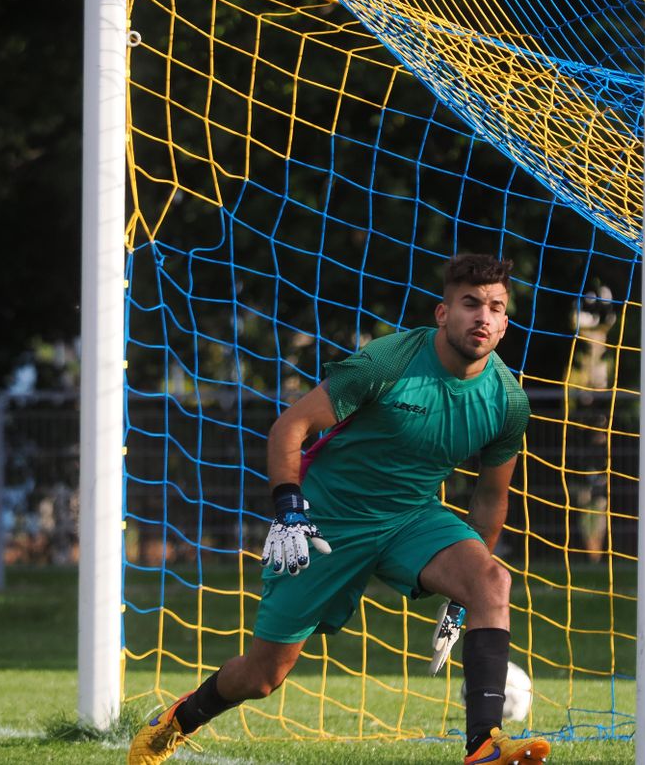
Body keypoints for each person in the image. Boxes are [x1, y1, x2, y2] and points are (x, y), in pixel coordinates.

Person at [128, 253, 550, 765]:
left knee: (493, 583)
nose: (482, 317)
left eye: (495, 307)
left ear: (506, 322)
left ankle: (484, 743)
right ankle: (176, 720)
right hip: (323, 524)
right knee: (264, 676)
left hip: (411, 519)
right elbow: (290, 427)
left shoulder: (508, 401)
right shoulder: (388, 362)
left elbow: (490, 499)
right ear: (443, 313)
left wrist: (463, 601)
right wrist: (288, 510)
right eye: (470, 304)